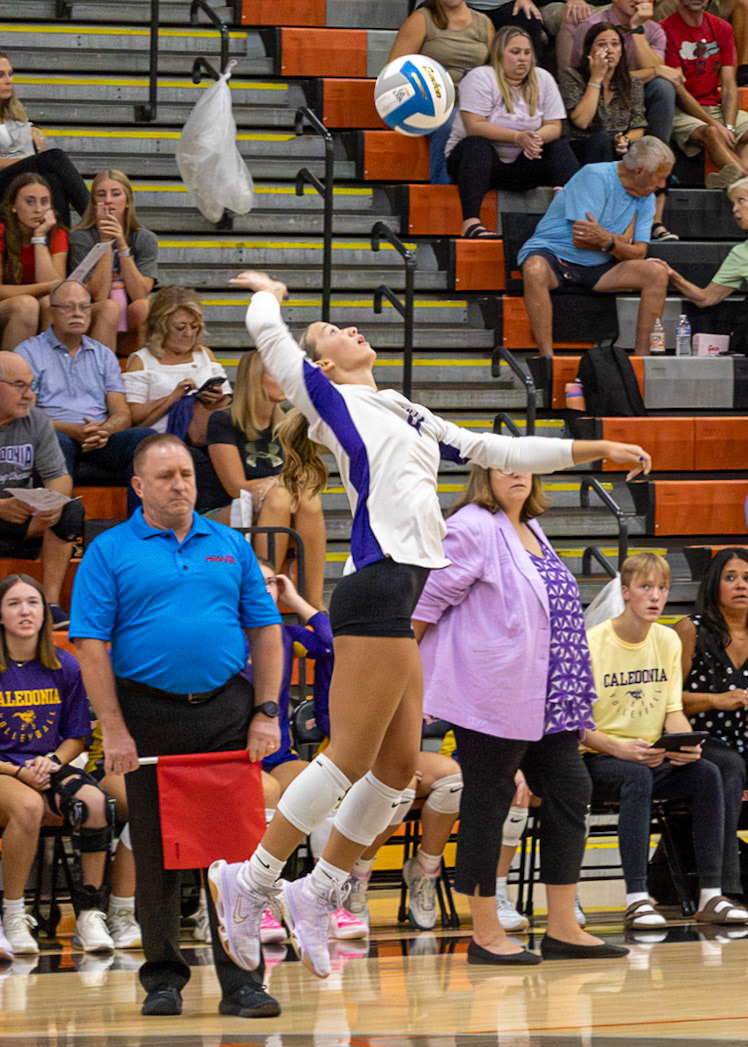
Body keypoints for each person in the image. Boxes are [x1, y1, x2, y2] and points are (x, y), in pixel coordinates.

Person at [207, 268, 651, 981]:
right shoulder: (328, 398)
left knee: (395, 768)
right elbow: (268, 337)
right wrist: (271, 295)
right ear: (321, 362)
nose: (353, 330)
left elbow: (496, 451)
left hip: (400, 592)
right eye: (334, 333)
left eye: (349, 326)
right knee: (348, 758)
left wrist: (592, 450)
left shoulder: (402, 408)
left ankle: (316, 890)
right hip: (376, 588)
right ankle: (251, 878)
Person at [69, 431, 285, 1019]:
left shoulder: (230, 545)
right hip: (145, 714)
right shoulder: (110, 550)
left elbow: (267, 631)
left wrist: (266, 712)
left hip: (224, 711)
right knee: (159, 854)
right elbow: (90, 645)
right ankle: (163, 976)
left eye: (186, 474)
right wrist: (112, 729)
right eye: (165, 477)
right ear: (138, 486)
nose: (180, 485)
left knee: (237, 855)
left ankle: (244, 982)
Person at [412, 467, 627, 964]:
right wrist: (406, 681)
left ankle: (563, 927)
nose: (517, 472)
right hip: (493, 694)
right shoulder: (472, 524)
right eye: (504, 462)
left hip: (546, 695)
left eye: (524, 462)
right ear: (484, 473)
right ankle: (485, 934)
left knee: (572, 789)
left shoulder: (530, 526)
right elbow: (427, 603)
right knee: (489, 802)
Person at [585, 553, 748, 928]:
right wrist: (619, 748)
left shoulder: (666, 641)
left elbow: (673, 709)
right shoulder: (594, 642)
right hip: (599, 752)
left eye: (662, 588)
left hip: (648, 751)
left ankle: (712, 895)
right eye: (645, 588)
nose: (655, 596)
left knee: (707, 771)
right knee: (636, 777)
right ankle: (637, 898)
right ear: (625, 592)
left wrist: (682, 742)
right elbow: (574, 725)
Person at [0, 574, 115, 959]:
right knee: (29, 806)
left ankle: (89, 914)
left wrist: (50, 763)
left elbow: (76, 737)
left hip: (47, 763)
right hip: (4, 768)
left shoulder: (64, 664)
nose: (25, 611)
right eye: (14, 603)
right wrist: (20, 773)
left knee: (95, 803)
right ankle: (13, 915)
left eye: (32, 602)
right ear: (0, 615)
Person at [519, 135, 675, 357]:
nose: (662, 185)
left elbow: (639, 252)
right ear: (639, 171)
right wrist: (619, 241)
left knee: (657, 273)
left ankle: (642, 359)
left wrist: (607, 241)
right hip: (556, 256)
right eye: (660, 178)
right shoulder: (595, 176)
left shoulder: (646, 195)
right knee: (534, 268)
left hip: (598, 265)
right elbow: (581, 239)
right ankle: (547, 359)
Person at [14, 279, 153, 515]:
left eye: (84, 307)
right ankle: (58, 527)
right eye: (68, 307)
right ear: (52, 313)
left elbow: (121, 413)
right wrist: (72, 430)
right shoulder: (29, 352)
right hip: (55, 434)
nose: (77, 314)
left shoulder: (103, 355)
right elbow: (27, 414)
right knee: (57, 441)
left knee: (146, 440)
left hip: (99, 437)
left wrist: (105, 430)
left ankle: (141, 529)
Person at [201, 368, 327, 610]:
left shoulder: (287, 422)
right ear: (254, 378)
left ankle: (314, 601)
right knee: (279, 497)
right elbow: (235, 488)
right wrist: (277, 483)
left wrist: (280, 483)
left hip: (269, 506)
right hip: (221, 511)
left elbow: (305, 474)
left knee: (308, 499)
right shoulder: (223, 420)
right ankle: (263, 596)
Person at [445, 26, 579, 238]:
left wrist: (535, 138)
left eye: (527, 53)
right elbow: (474, 126)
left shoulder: (542, 78)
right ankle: (471, 222)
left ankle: (566, 214)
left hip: (523, 162)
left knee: (558, 145)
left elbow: (555, 126)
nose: (523, 59)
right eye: (515, 52)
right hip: (478, 164)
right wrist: (518, 137)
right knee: (476, 145)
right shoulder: (480, 77)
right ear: (499, 54)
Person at [673, 548, 748, 901]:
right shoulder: (691, 629)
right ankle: (723, 890)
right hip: (702, 739)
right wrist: (717, 700)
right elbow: (667, 699)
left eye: (747, 578)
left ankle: (668, 875)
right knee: (730, 767)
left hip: (744, 735)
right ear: (713, 585)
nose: (740, 585)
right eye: (730, 577)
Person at [0, 351, 83, 628]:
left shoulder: (36, 421)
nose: (29, 395)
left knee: (72, 509)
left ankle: (49, 605)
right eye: (19, 386)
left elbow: (59, 476)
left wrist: (52, 505)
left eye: (31, 385)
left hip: (24, 514)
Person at [386, 0, 494, 184]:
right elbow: (393, 73)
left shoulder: (484, 23)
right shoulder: (421, 20)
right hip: (424, 102)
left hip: (469, 103)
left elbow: (495, 70)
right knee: (453, 122)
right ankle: (442, 191)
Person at [123, 285, 230, 443]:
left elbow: (228, 401)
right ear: (161, 327)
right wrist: (173, 397)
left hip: (205, 437)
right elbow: (133, 416)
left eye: (194, 327)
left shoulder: (204, 354)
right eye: (181, 327)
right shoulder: (142, 360)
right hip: (161, 441)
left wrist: (218, 398)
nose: (189, 333)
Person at [69, 170, 158, 355]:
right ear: (93, 203)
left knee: (145, 306)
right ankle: (101, 376)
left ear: (127, 201)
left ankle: (142, 373)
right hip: (92, 314)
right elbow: (99, 295)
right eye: (101, 194)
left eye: (116, 194)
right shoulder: (80, 238)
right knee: (109, 307)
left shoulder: (144, 238)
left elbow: (140, 293)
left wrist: (123, 246)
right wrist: (105, 242)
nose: (108, 200)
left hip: (130, 317)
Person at [662, 0, 748, 189]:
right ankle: (742, 183)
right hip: (680, 109)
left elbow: (728, 84)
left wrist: (731, 127)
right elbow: (679, 90)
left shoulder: (722, 27)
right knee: (712, 132)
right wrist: (715, 123)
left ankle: (730, 180)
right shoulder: (665, 30)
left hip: (712, 105)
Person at [0, 52, 89, 228]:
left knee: (53, 180)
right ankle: (94, 219)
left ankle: (62, 245)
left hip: (20, 182)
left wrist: (34, 130)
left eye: (10, 74)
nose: (8, 80)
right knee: (54, 157)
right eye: (0, 75)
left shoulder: (14, 115)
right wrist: (32, 161)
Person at [561, 24, 647, 163]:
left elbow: (638, 126)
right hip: (582, 147)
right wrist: (596, 78)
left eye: (615, 44)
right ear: (589, 52)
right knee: (601, 138)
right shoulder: (573, 77)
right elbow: (582, 121)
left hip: (616, 147)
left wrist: (625, 140)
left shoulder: (632, 83)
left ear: (621, 51)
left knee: (650, 146)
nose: (609, 50)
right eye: (602, 45)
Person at [0, 174, 68, 347]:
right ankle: (11, 372)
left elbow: (55, 291)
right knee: (26, 305)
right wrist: (47, 287)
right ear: (13, 206)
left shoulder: (57, 234)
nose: (38, 209)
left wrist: (39, 237)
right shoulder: (1, 231)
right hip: (7, 308)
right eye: (30, 201)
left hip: (33, 308)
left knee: (50, 303)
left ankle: (49, 369)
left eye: (44, 202)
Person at [663, 174, 748, 306]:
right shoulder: (741, 253)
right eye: (733, 203)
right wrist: (673, 276)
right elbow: (706, 298)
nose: (734, 209)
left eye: (741, 200)